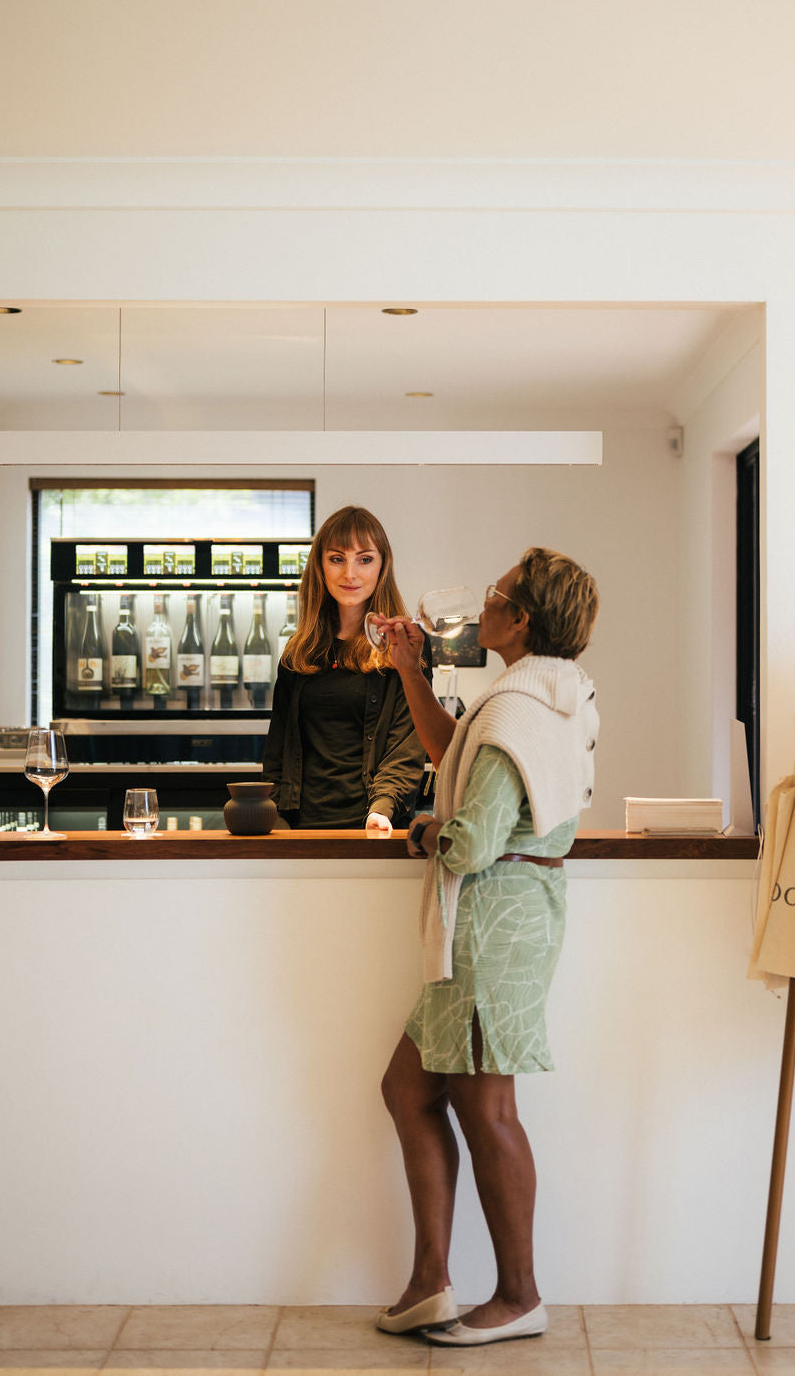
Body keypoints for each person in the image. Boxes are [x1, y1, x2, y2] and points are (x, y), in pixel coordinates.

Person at [372, 547, 599, 1346]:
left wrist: (424, 830)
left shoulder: (516, 710)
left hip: (490, 925)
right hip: (506, 919)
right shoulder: (547, 693)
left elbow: (470, 840)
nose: (482, 606)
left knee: (487, 1107)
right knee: (409, 1087)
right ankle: (430, 1282)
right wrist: (410, 668)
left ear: (521, 617)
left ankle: (519, 1294)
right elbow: (457, 759)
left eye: (496, 594)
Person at [261, 505, 430, 832]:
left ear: (382, 566)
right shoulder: (298, 651)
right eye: (337, 559)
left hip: (376, 825)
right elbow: (277, 753)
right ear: (320, 566)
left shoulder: (403, 645)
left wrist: (381, 811)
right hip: (300, 830)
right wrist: (276, 820)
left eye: (364, 559)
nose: (350, 574)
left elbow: (406, 748)